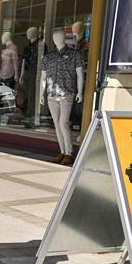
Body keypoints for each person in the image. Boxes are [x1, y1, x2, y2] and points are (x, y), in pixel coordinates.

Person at [39, 29, 84, 165]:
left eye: (59, 36)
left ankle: (69, 153)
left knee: (63, 123)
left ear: (64, 38)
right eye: (54, 37)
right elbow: (43, 77)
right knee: (57, 125)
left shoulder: (74, 54)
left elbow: (80, 75)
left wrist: (80, 92)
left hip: (67, 92)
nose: (56, 39)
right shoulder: (48, 57)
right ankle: (62, 152)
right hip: (51, 94)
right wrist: (41, 93)